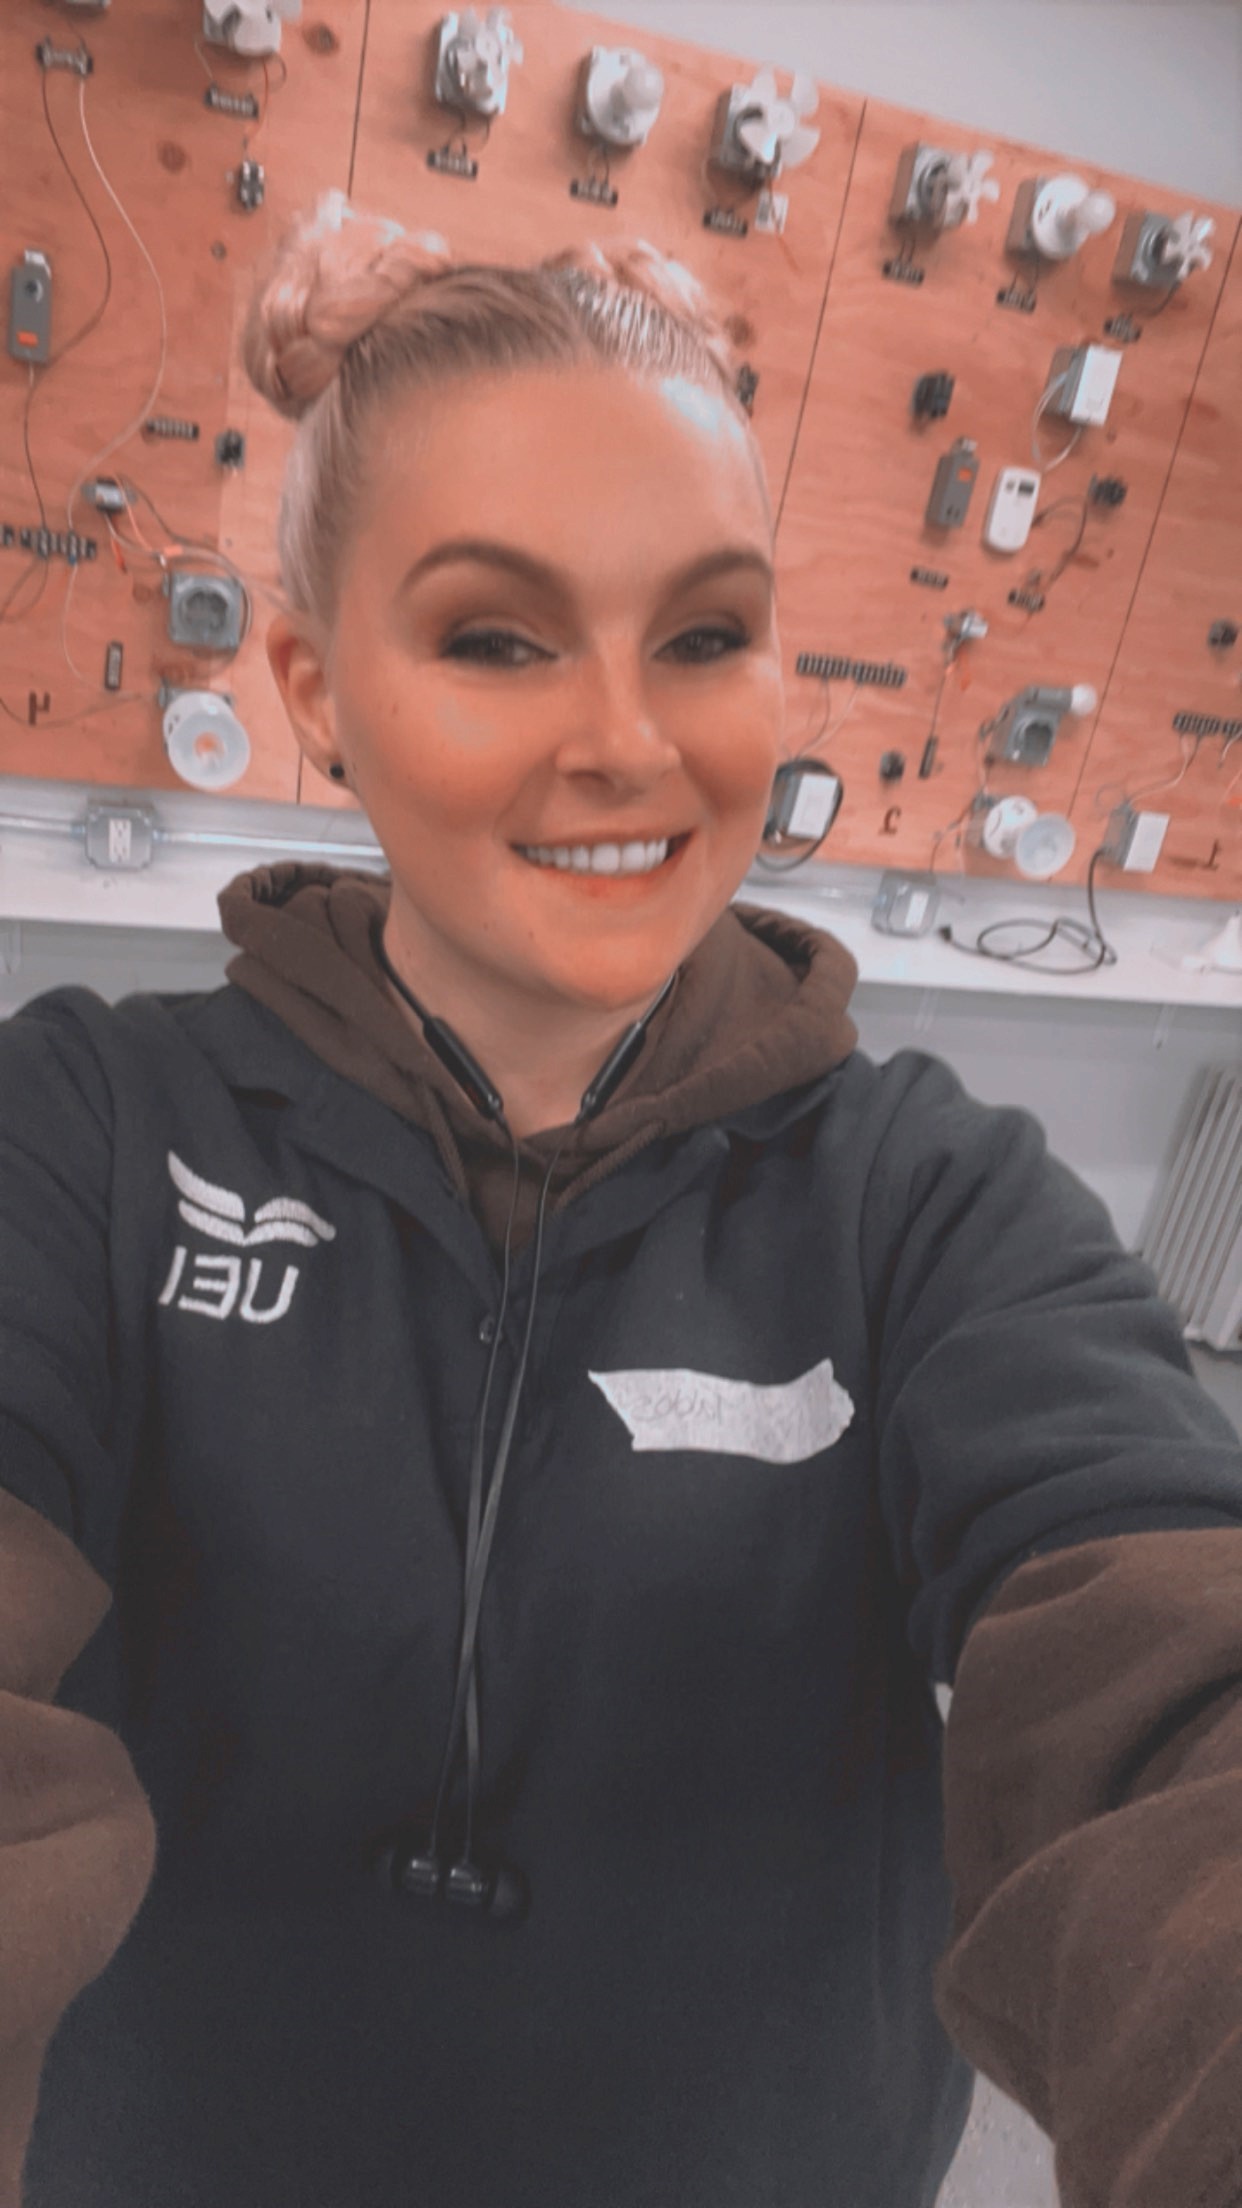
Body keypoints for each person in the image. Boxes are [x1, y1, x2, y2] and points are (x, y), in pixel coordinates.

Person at [2, 189, 1241, 2208]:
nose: (626, 740)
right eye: (495, 637)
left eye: (705, 636)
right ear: (316, 691)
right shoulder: (82, 1130)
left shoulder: (927, 1196)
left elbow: (1172, 1680)